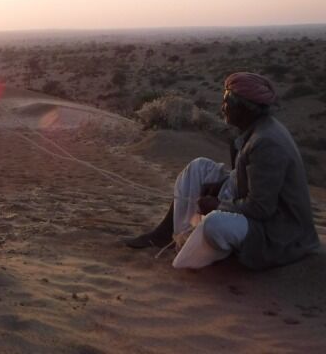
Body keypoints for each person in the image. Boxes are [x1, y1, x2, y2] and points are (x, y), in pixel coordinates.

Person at [126, 71, 321, 270]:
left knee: (215, 224)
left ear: (245, 108)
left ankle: (197, 249)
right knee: (198, 168)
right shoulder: (255, 130)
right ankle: (173, 235)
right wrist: (221, 184)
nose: (222, 108)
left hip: (279, 233)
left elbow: (262, 208)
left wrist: (219, 205)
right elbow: (246, 177)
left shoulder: (266, 143)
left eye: (228, 102)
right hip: (254, 207)